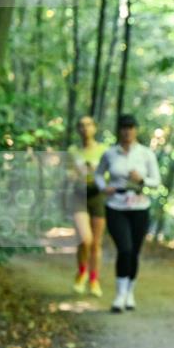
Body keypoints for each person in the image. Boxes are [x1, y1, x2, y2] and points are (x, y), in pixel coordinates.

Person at [95, 114, 160, 313]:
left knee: (134, 252)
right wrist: (103, 187)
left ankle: (130, 292)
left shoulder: (146, 154)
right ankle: (119, 294)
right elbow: (98, 174)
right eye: (124, 127)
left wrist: (142, 180)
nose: (127, 131)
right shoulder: (110, 154)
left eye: (131, 127)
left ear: (136, 130)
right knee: (124, 249)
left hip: (140, 206)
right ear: (119, 130)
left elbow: (156, 181)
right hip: (116, 206)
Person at [69, 115, 107, 297]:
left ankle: (93, 280)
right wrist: (75, 174)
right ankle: (81, 272)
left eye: (88, 125)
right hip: (79, 195)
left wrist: (95, 172)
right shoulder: (72, 151)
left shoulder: (103, 150)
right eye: (81, 125)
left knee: (96, 243)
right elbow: (67, 174)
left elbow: (110, 175)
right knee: (85, 239)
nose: (85, 128)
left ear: (95, 128)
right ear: (78, 130)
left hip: (97, 196)